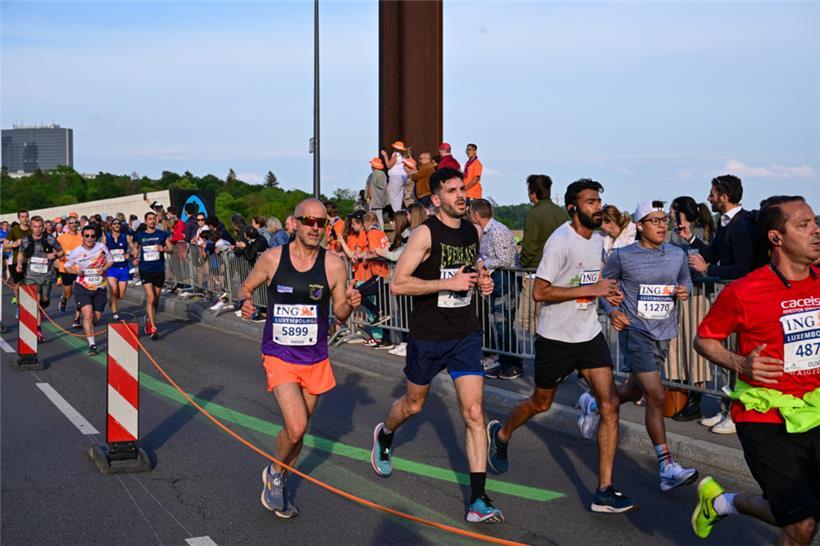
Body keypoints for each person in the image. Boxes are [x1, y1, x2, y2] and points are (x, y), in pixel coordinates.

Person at [487, 179, 638, 514]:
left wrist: (608, 301)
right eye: (590, 202)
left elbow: (593, 286)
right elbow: (540, 292)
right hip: (556, 338)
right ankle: (502, 434)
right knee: (541, 404)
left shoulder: (599, 240)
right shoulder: (560, 242)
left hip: (588, 335)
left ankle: (604, 490)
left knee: (610, 404)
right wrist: (594, 291)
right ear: (573, 208)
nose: (597, 207)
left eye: (599, 200)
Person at [370, 168, 503, 524]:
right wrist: (448, 284)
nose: (462, 195)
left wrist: (481, 280)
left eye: (463, 188)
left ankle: (478, 500)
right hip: (428, 336)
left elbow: (470, 268)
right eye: (453, 190)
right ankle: (385, 433)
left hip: (465, 334)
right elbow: (398, 284)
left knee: (474, 413)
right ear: (436, 199)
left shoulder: (473, 230)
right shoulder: (425, 234)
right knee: (413, 406)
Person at [691, 195, 820, 545]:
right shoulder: (745, 291)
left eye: (815, 222)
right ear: (776, 238)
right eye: (804, 225)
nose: (816, 231)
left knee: (805, 512)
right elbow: (704, 340)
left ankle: (721, 502)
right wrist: (740, 362)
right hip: (765, 417)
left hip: (815, 409)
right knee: (801, 526)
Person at [237, 199, 361, 519]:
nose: (315, 228)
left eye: (322, 223)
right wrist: (247, 301)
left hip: (316, 357)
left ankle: (278, 477)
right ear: (295, 223)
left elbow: (341, 314)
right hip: (280, 354)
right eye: (309, 221)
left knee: (298, 433)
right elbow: (246, 287)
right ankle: (276, 475)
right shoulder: (273, 258)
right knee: (296, 425)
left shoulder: (333, 264)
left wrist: (349, 302)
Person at [591, 200, 698, 491]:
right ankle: (666, 467)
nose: (662, 225)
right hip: (635, 331)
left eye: (664, 220)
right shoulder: (623, 256)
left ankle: (596, 403)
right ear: (639, 226)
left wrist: (684, 290)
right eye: (654, 220)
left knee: (635, 389)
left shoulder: (677, 254)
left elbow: (685, 279)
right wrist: (612, 311)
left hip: (664, 331)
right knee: (656, 394)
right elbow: (603, 286)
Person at [680, 174, 759, 435]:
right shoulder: (726, 223)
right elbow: (714, 253)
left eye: (712, 193)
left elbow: (743, 268)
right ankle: (727, 410)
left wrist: (709, 268)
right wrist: (691, 239)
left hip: (740, 301)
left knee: (735, 357)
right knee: (726, 357)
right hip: (727, 299)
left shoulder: (742, 225)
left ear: (723, 197)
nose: (708, 198)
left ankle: (736, 414)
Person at [666, 196, 717, 422]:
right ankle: (678, 394)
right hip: (676, 299)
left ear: (681, 213)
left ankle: (697, 398)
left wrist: (691, 239)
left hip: (696, 299)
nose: (669, 215)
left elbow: (710, 258)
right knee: (676, 349)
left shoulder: (703, 233)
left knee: (695, 350)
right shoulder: (669, 235)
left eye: (672, 211)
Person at [469, 198, 523, 380]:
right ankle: (505, 362)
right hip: (496, 279)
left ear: (476, 215)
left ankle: (513, 365)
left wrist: (485, 264)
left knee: (504, 323)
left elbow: (506, 259)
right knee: (499, 323)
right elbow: (482, 255)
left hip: (505, 280)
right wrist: (480, 262)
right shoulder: (486, 231)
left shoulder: (497, 230)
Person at [64, 225, 113, 355]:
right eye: (87, 236)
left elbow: (110, 261)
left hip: (99, 286)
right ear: (83, 236)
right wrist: (75, 270)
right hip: (83, 287)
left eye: (92, 236)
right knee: (88, 314)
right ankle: (92, 345)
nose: (90, 238)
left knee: (96, 318)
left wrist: (104, 268)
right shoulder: (76, 251)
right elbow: (67, 267)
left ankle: (88, 327)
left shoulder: (101, 247)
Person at [17, 216, 64, 341]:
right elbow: (21, 253)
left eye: (40, 227)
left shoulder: (49, 238)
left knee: (44, 300)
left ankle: (38, 317)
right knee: (35, 301)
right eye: (35, 227)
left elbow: (61, 252)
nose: (38, 229)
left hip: (46, 276)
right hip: (31, 275)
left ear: (43, 227)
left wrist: (53, 255)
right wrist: (19, 264)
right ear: (31, 227)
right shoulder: (26, 240)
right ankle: (37, 328)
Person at [131, 211, 173, 339]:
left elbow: (171, 249)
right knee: (150, 298)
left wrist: (163, 249)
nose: (152, 221)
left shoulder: (162, 234)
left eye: (154, 219)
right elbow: (136, 247)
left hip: (159, 270)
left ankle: (149, 318)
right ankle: (154, 327)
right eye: (150, 219)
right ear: (145, 221)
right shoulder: (140, 235)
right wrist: (135, 257)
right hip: (145, 270)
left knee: (156, 299)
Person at [519, 175, 570, 268]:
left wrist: (521, 263)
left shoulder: (533, 214)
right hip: (560, 267)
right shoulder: (561, 213)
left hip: (538, 269)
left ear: (533, 193)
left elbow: (529, 247)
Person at [57, 215, 84, 327]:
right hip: (65, 268)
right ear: (67, 225)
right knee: (69, 293)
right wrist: (61, 257)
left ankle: (77, 319)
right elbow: (57, 252)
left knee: (79, 293)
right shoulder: (61, 238)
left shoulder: (82, 237)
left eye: (75, 222)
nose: (73, 225)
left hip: (79, 268)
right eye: (71, 223)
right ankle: (63, 299)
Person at [104, 218, 133, 321]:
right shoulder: (106, 237)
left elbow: (135, 249)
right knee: (114, 290)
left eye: (118, 224)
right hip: (111, 268)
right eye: (114, 224)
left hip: (123, 267)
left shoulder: (126, 237)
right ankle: (115, 312)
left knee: (121, 295)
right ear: (111, 226)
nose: (116, 225)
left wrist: (129, 254)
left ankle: (112, 300)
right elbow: (101, 250)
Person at [6, 210, 32, 305]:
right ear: (19, 218)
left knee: (32, 285)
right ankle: (19, 305)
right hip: (16, 261)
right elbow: (5, 244)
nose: (25, 219)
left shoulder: (32, 229)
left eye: (26, 216)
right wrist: (14, 244)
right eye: (22, 217)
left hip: (31, 261)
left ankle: (31, 307)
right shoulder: (14, 230)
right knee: (18, 285)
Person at [381, 140, 409, 215]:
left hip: (395, 177)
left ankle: (396, 214)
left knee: (392, 196)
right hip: (403, 177)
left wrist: (385, 155)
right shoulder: (405, 156)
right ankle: (399, 212)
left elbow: (388, 165)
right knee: (399, 196)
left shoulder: (396, 155)